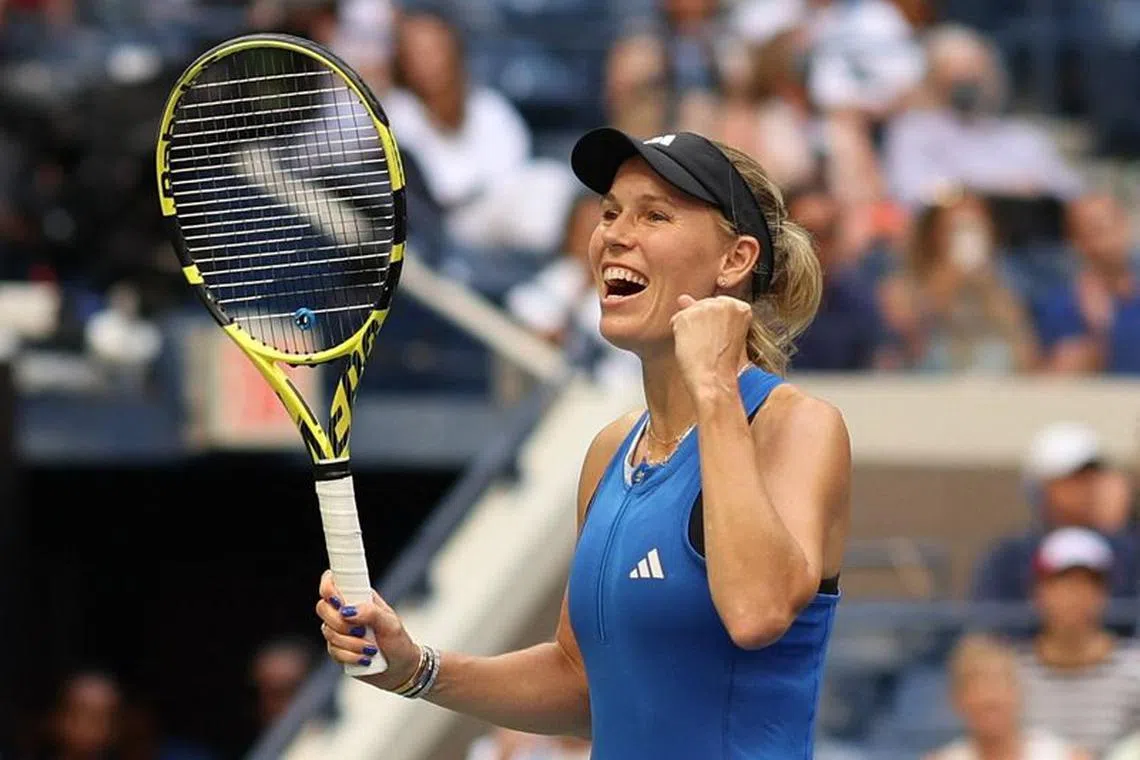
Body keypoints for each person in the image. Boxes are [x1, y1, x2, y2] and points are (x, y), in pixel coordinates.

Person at [315, 128, 852, 757]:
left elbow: (756, 612)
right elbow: (582, 684)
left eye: (654, 214)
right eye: (609, 212)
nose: (615, 234)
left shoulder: (797, 425)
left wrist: (714, 388)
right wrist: (415, 668)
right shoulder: (611, 450)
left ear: (734, 260)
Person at [925, 633, 1086, 760]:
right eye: (975, 687)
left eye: (997, 684)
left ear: (1018, 692)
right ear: (957, 699)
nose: (988, 698)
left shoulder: (1065, 757)